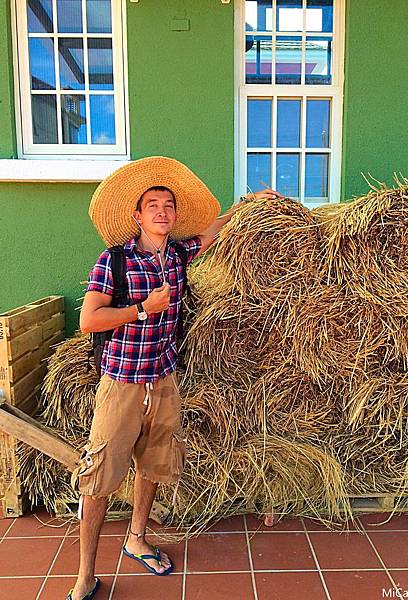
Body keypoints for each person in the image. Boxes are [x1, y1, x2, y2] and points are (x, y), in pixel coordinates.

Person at [68, 156, 281, 600]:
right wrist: (144, 307)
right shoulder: (115, 260)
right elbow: (89, 319)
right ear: (137, 215)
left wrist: (252, 202)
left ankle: (136, 538)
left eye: (168, 205)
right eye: (153, 205)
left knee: (152, 464)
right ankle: (86, 574)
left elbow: (214, 228)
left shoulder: (180, 254)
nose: (162, 211)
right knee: (100, 477)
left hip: (163, 381)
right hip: (122, 384)